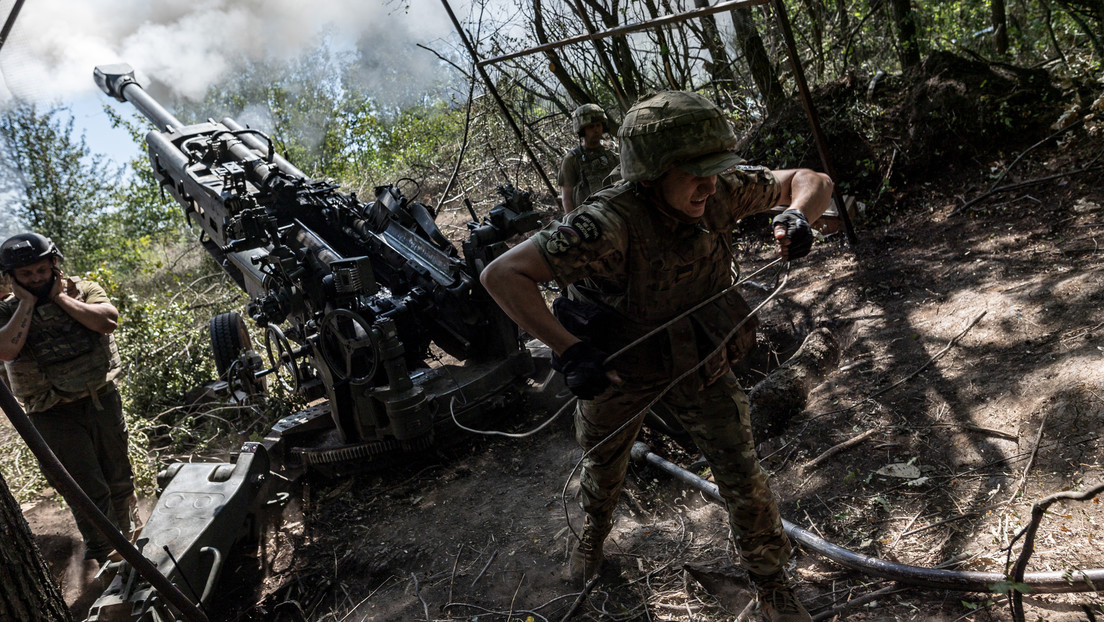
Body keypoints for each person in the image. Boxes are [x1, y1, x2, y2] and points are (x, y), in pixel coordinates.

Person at [480, 91, 832, 621]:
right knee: (602, 465)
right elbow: (502, 274)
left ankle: (772, 587)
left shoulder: (720, 191)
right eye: (694, 174)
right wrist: (571, 350)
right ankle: (591, 541)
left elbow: (811, 180)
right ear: (652, 174)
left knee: (742, 475)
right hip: (622, 372)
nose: (709, 185)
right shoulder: (607, 222)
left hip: (701, 359)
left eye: (714, 171)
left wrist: (797, 216)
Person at [0, 232, 139, 565]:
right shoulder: (6, 310)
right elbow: (6, 349)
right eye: (26, 275)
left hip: (100, 399)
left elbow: (108, 321)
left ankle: (134, 540)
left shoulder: (85, 289)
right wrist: (27, 304)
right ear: (12, 278)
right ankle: (109, 555)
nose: (35, 279)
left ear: (54, 266)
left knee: (119, 475)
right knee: (86, 489)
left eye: (41, 271)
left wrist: (60, 299)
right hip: (51, 413)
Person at [558, 103, 619, 214]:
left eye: (598, 125)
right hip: (589, 218)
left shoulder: (612, 153)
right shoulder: (572, 159)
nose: (596, 130)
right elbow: (566, 198)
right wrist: (573, 222)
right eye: (591, 127)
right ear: (582, 130)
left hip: (616, 213)